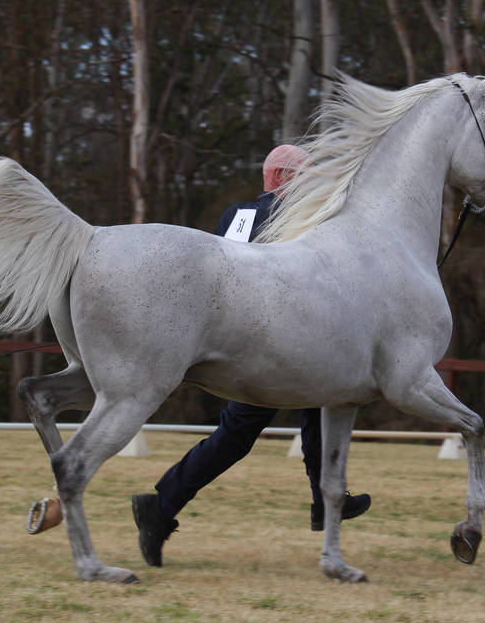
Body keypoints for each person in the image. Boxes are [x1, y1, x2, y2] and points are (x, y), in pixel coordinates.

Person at [131, 145, 371, 567]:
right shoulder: (296, 218)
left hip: (234, 344)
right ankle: (321, 502)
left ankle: (164, 505)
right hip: (278, 348)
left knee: (245, 434)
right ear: (283, 178)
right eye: (305, 176)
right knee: (307, 410)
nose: (310, 184)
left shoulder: (234, 216)